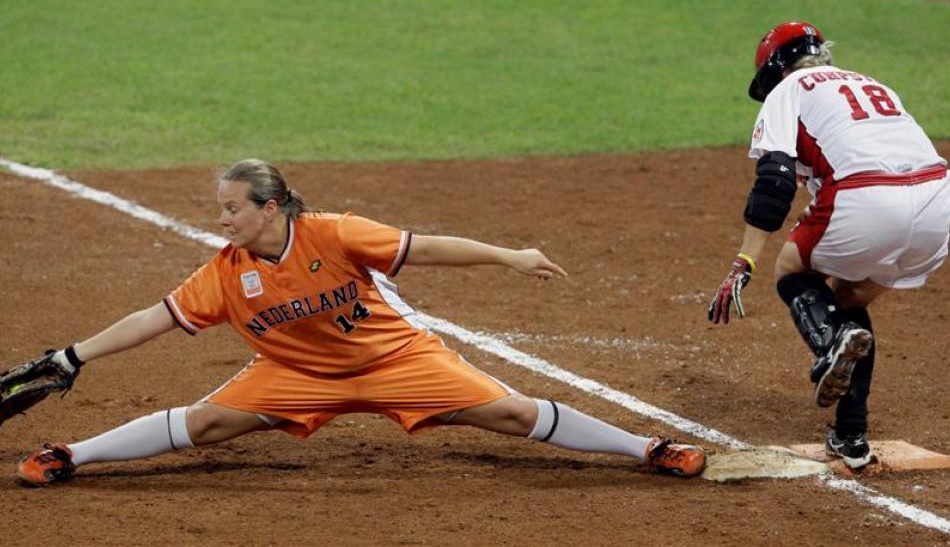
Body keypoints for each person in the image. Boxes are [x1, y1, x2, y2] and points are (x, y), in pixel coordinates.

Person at [15, 158, 705, 486]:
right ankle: (71, 454)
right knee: (204, 423)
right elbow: (153, 318)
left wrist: (509, 255)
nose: (222, 219)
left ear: (272, 205)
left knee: (513, 412)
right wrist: (75, 354)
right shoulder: (225, 272)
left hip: (395, 360)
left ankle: (648, 446)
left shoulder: (335, 233)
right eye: (221, 209)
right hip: (296, 374)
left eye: (233, 207)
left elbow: (426, 247)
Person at [707, 22, 950, 469]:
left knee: (793, 271)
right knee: (848, 296)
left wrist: (745, 259)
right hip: (939, 204)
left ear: (776, 69)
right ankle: (851, 434)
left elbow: (775, 180)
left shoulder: (790, 88)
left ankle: (828, 341)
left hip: (867, 200)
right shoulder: (873, 84)